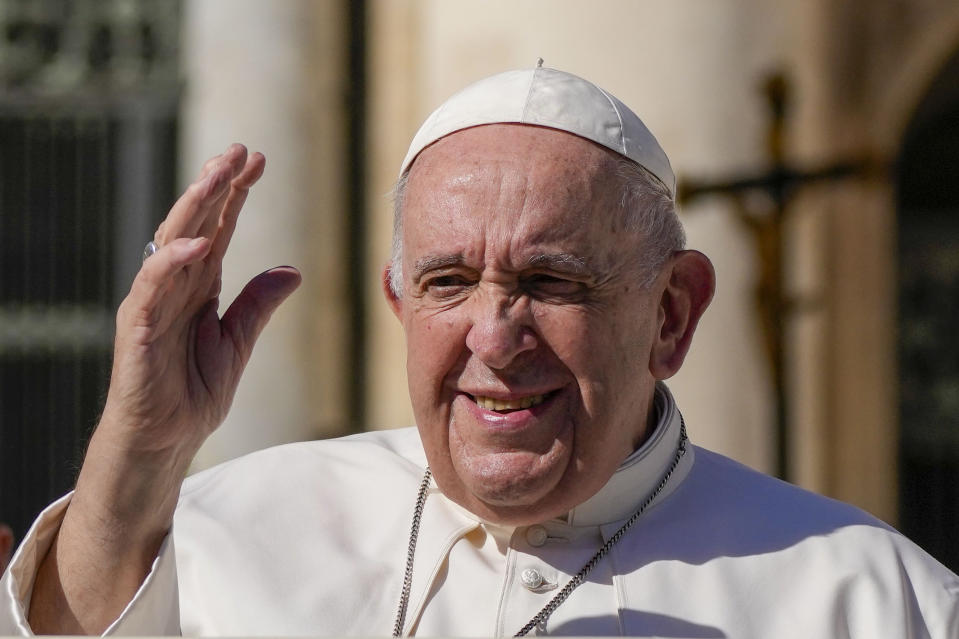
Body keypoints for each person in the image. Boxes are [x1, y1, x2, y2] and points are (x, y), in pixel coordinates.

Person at [2, 65, 957, 637]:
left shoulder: (872, 601)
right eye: (448, 283)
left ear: (671, 313)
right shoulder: (231, 525)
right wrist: (140, 449)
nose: (494, 338)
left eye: (551, 282)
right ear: (398, 302)